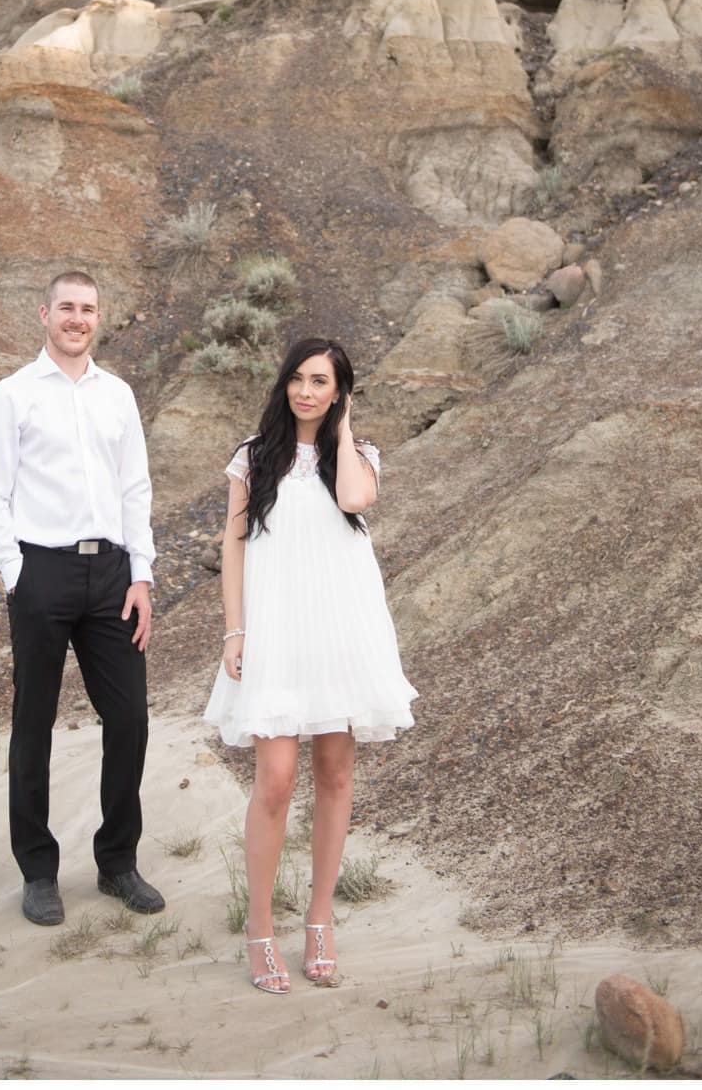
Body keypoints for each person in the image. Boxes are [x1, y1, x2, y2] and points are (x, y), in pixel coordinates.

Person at [204, 337, 417, 993]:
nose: (304, 391)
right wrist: (234, 630)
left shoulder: (357, 457)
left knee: (335, 770)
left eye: (320, 381)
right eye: (296, 378)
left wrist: (343, 426)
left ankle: (320, 921)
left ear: (338, 390)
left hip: (341, 631)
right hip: (276, 633)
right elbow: (233, 545)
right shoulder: (254, 456)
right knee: (274, 778)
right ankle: (260, 929)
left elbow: (354, 500)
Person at [0, 269, 164, 927]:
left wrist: (142, 575)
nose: (77, 319)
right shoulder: (12, 396)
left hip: (112, 576)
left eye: (88, 309)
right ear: (43, 314)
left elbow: (135, 490)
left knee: (131, 718)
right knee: (33, 725)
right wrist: (15, 572)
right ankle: (39, 872)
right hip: (42, 574)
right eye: (66, 308)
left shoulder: (118, 396)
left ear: (98, 318)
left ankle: (116, 863)